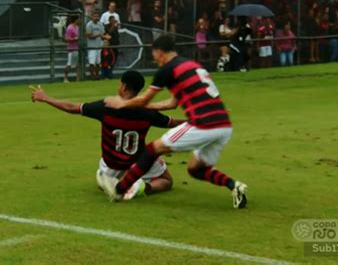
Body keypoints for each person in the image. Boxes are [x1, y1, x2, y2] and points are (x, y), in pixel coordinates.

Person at [103, 35, 248, 209]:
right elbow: (171, 103)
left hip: (203, 124)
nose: (155, 60)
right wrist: (143, 106)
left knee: (151, 150)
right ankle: (235, 187)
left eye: (154, 54)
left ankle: (119, 189)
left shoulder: (167, 70)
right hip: (223, 126)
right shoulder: (190, 65)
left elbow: (143, 100)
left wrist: (122, 104)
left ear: (159, 51)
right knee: (196, 169)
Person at [30, 71, 185, 200]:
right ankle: (144, 187)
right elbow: (172, 122)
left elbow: (72, 108)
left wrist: (45, 98)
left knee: (103, 179)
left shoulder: (106, 107)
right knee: (166, 181)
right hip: (138, 161)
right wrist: (196, 122)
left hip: (112, 163)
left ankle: (113, 180)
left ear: (124, 87)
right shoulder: (148, 112)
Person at [86, 11, 105, 80]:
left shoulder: (100, 24)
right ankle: (92, 76)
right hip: (92, 47)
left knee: (98, 62)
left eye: (97, 16)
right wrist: (98, 35)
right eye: (95, 16)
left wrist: (105, 37)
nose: (96, 17)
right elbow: (89, 35)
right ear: (92, 17)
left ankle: (97, 76)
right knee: (92, 63)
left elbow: (103, 34)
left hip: (99, 46)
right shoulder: (89, 24)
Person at [64, 16, 80, 83]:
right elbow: (66, 38)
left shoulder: (77, 27)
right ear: (75, 20)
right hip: (71, 48)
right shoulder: (70, 28)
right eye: (78, 19)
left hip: (77, 48)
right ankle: (65, 78)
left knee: (77, 64)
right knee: (69, 64)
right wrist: (74, 39)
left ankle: (78, 79)